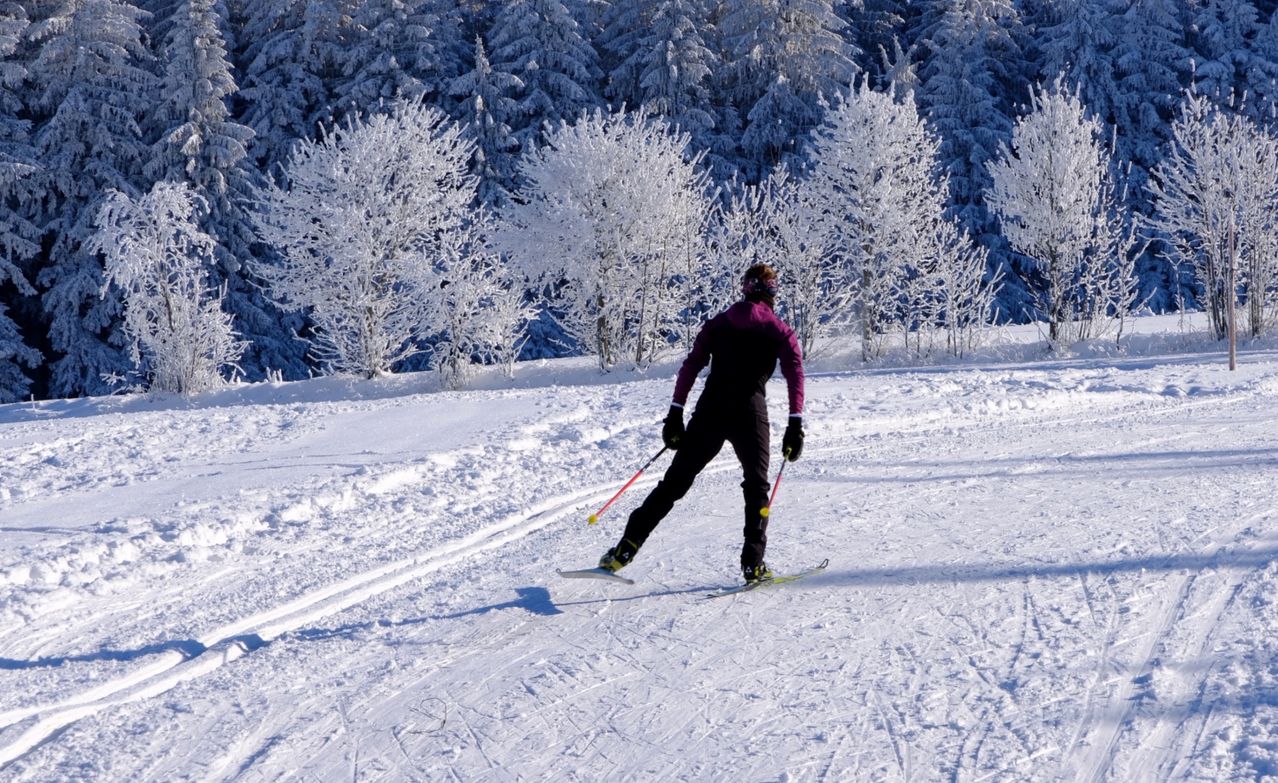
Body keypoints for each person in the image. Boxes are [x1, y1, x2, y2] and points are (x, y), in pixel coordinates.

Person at [599, 263, 805, 584]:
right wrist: (795, 424)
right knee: (757, 487)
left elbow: (691, 366)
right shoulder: (779, 331)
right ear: (772, 292)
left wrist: (675, 413)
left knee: (674, 484)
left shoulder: (718, 324)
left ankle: (626, 547)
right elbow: (795, 375)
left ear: (745, 289)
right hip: (750, 413)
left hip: (711, 409)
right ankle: (753, 564)